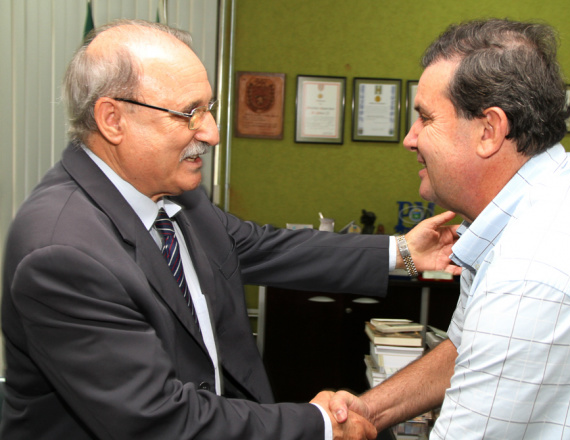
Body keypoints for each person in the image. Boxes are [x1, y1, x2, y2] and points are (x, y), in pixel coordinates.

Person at [0, 19, 461, 440]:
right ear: (113, 119)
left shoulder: (174, 197)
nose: (213, 132)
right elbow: (156, 421)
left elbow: (266, 248)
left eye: (209, 108)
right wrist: (319, 426)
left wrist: (402, 251)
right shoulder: (62, 253)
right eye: (189, 113)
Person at [330, 18, 570, 439]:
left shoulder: (535, 270)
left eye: (425, 119)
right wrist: (368, 412)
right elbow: (468, 351)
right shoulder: (554, 189)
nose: (410, 140)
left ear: (489, 130)